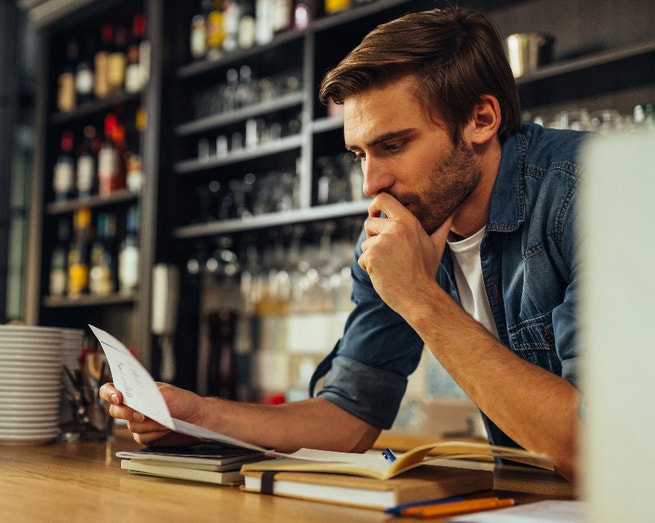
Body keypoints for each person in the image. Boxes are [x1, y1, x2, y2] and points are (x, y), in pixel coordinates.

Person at [101, 7, 584, 483]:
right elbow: (350, 412)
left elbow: (598, 445)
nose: (371, 183)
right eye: (359, 154)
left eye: (393, 145)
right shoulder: (394, 225)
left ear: (480, 118)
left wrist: (418, 297)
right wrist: (197, 417)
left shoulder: (590, 194)